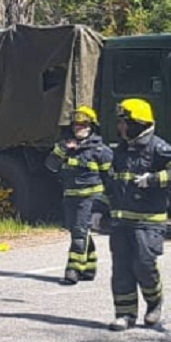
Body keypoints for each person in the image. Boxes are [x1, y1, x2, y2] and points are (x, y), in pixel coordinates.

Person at [104, 98, 171, 331]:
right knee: (121, 268)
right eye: (120, 123)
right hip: (121, 222)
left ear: (140, 124)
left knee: (144, 265)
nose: (121, 128)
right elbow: (112, 183)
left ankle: (154, 303)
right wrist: (100, 209)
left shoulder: (158, 147)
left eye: (126, 122)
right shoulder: (120, 150)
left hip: (147, 222)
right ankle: (125, 314)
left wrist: (152, 180)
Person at [46, 105, 112, 285]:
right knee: (77, 231)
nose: (79, 128)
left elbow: (110, 180)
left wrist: (105, 204)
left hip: (90, 199)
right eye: (76, 125)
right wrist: (63, 150)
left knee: (79, 232)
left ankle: (73, 270)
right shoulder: (66, 146)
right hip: (70, 198)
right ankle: (89, 268)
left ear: (92, 127)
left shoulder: (101, 152)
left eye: (83, 125)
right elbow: (51, 166)